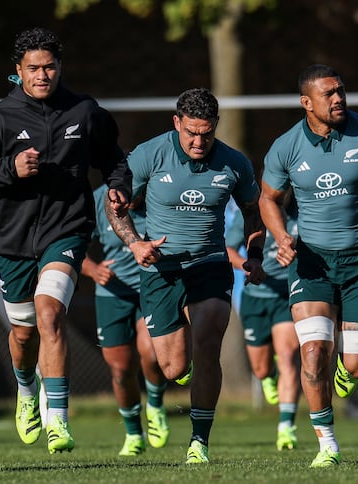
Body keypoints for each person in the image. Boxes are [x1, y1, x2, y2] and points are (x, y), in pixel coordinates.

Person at [0, 27, 131, 454]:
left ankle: (58, 420)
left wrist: (118, 185)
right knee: (23, 334)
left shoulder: (85, 112)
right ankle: (26, 388)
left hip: (67, 230)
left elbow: (114, 159)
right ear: (18, 71)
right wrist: (10, 168)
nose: (42, 74)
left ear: (59, 67)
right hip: (13, 239)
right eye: (33, 68)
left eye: (49, 66)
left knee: (49, 314)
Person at [259, 64, 358, 468]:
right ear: (306, 103)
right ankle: (327, 443)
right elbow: (267, 199)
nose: (338, 99)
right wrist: (281, 237)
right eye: (329, 94)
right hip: (312, 261)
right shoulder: (285, 147)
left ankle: (348, 372)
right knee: (312, 353)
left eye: (341, 91)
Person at [106, 87, 266, 464]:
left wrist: (254, 255)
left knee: (208, 342)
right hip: (161, 268)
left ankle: (200, 441)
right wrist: (135, 244)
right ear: (176, 123)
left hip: (210, 263)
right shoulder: (148, 154)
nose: (198, 141)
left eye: (206, 133)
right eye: (191, 132)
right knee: (174, 367)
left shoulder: (234, 163)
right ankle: (184, 365)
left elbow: (252, 213)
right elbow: (115, 206)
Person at [80, 185, 170, 456]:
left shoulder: (161, 194)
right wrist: (93, 269)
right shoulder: (97, 199)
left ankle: (155, 404)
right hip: (112, 293)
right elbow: (71, 244)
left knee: (152, 354)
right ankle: (133, 433)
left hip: (151, 287)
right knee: (120, 369)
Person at [225, 193, 302, 452]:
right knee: (259, 369)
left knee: (289, 356)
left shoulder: (303, 210)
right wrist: (246, 266)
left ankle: (286, 427)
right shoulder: (253, 213)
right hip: (255, 298)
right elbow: (228, 249)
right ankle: (268, 374)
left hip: (287, 294)